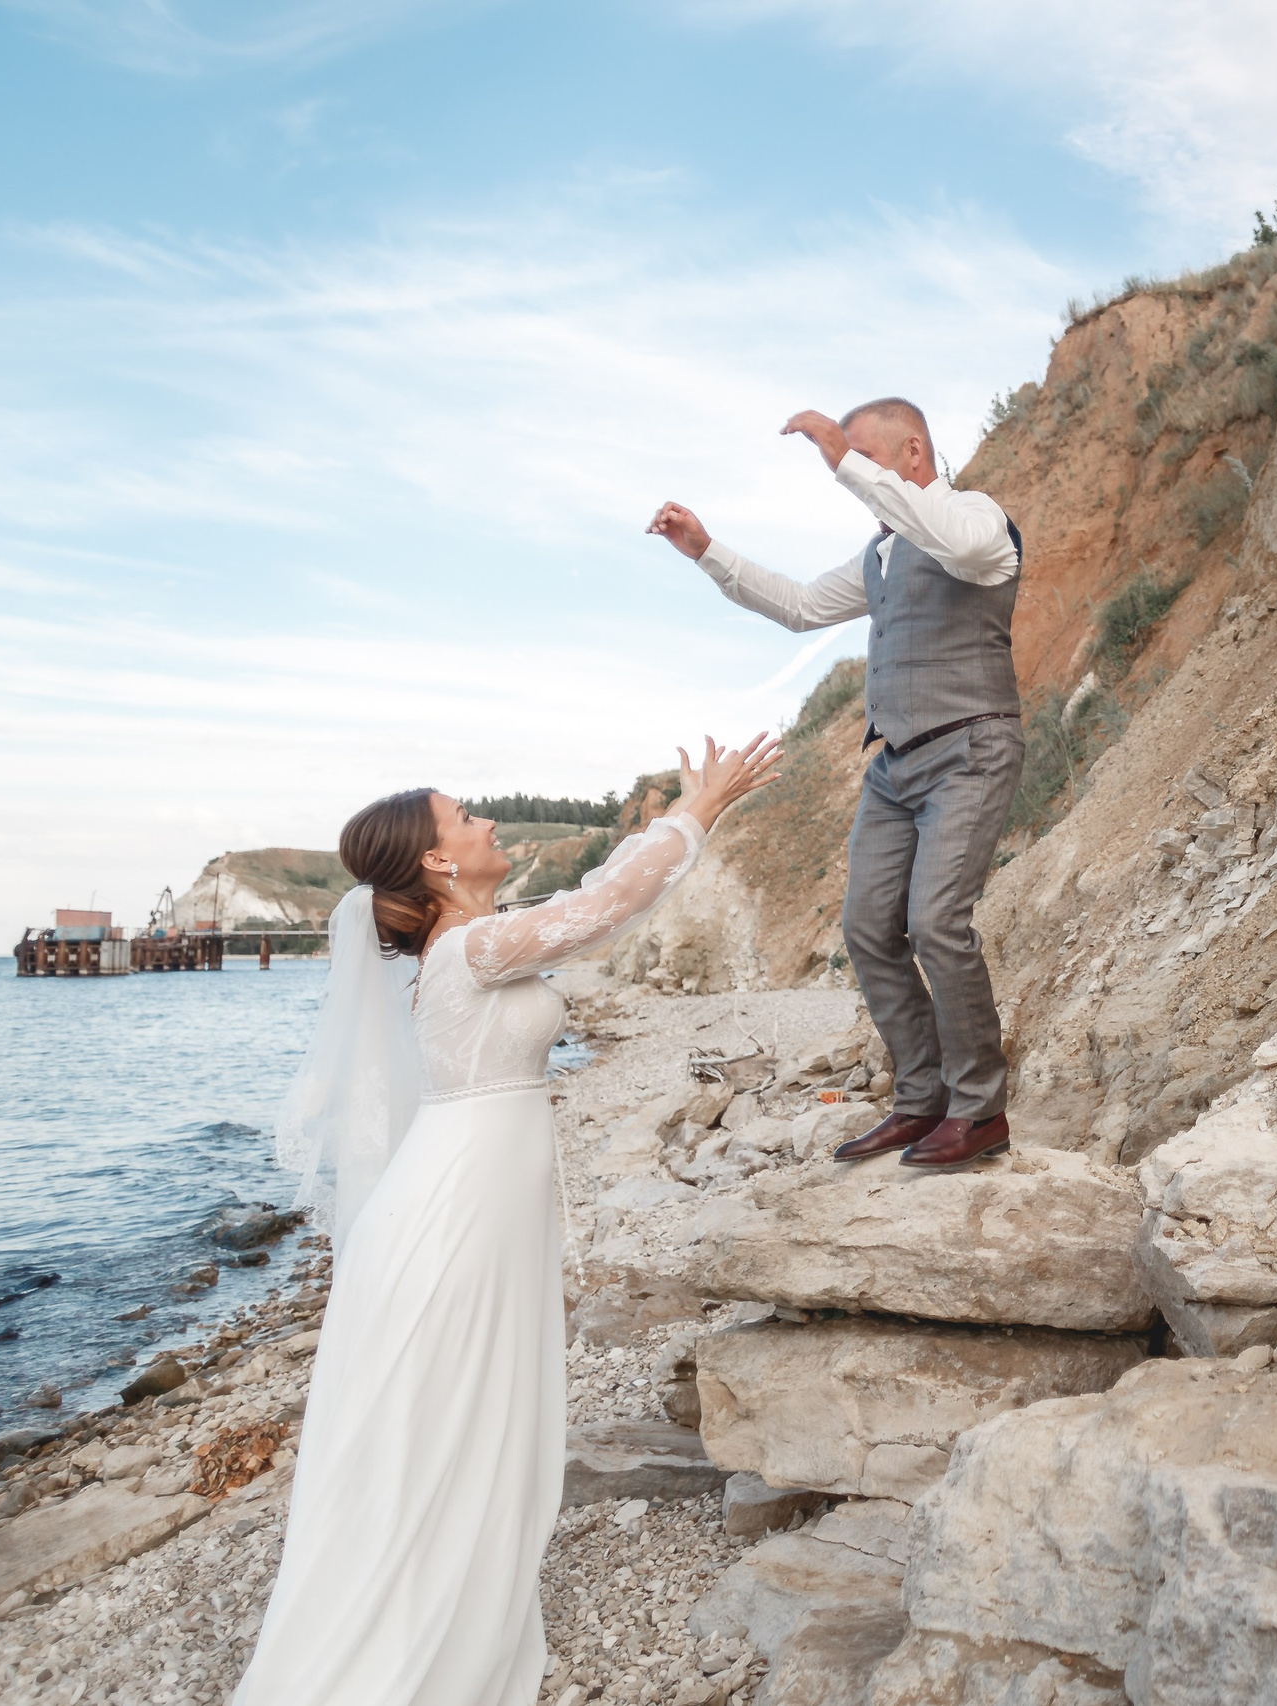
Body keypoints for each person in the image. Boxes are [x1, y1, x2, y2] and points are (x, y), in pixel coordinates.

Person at [231, 732, 779, 1706]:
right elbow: (605, 907)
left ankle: (458, 1589)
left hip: (479, 1198)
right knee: (441, 1412)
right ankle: (396, 1628)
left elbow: (596, 901)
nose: (485, 819)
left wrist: (682, 814)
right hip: (451, 1211)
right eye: (464, 814)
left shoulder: (479, 939)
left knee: (471, 1406)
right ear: (439, 859)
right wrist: (702, 810)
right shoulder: (470, 948)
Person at [649, 399, 1023, 1171]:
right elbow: (796, 607)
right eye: (842, 463)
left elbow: (944, 535)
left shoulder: (978, 522)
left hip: (969, 749)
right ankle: (921, 1102)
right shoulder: (879, 559)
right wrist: (706, 552)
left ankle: (980, 1110)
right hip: (893, 767)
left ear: (913, 450)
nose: (845, 476)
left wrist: (837, 457)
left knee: (936, 922)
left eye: (860, 458)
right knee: (866, 929)